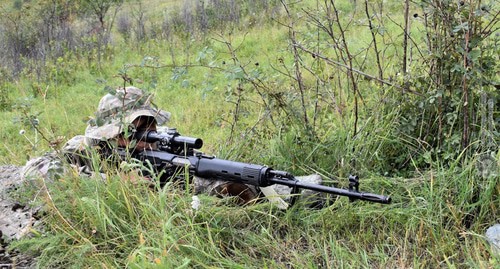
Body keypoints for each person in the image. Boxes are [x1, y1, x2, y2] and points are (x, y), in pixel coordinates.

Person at [21, 86, 322, 206]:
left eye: (147, 126)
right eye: (132, 130)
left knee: (224, 179)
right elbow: (34, 170)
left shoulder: (161, 140)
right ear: (110, 132)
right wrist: (111, 182)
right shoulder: (86, 147)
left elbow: (202, 172)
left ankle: (299, 192)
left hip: (171, 186)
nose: (145, 135)